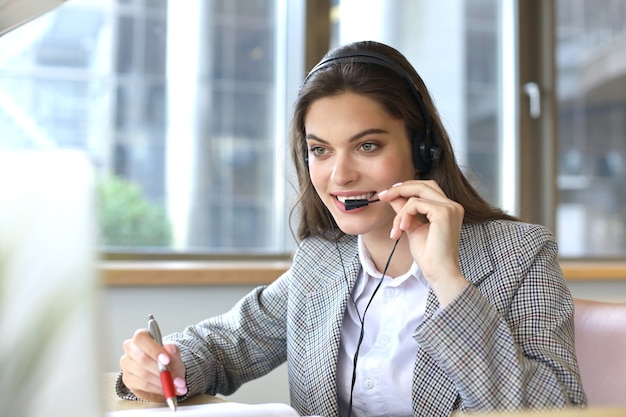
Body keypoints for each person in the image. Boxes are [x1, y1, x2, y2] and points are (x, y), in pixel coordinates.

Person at [117, 40, 586, 417]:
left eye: (367, 146)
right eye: (320, 150)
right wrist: (168, 363)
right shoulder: (324, 259)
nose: (339, 177)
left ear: (423, 150)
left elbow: (556, 410)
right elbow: (227, 345)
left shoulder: (520, 255)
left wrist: (447, 280)